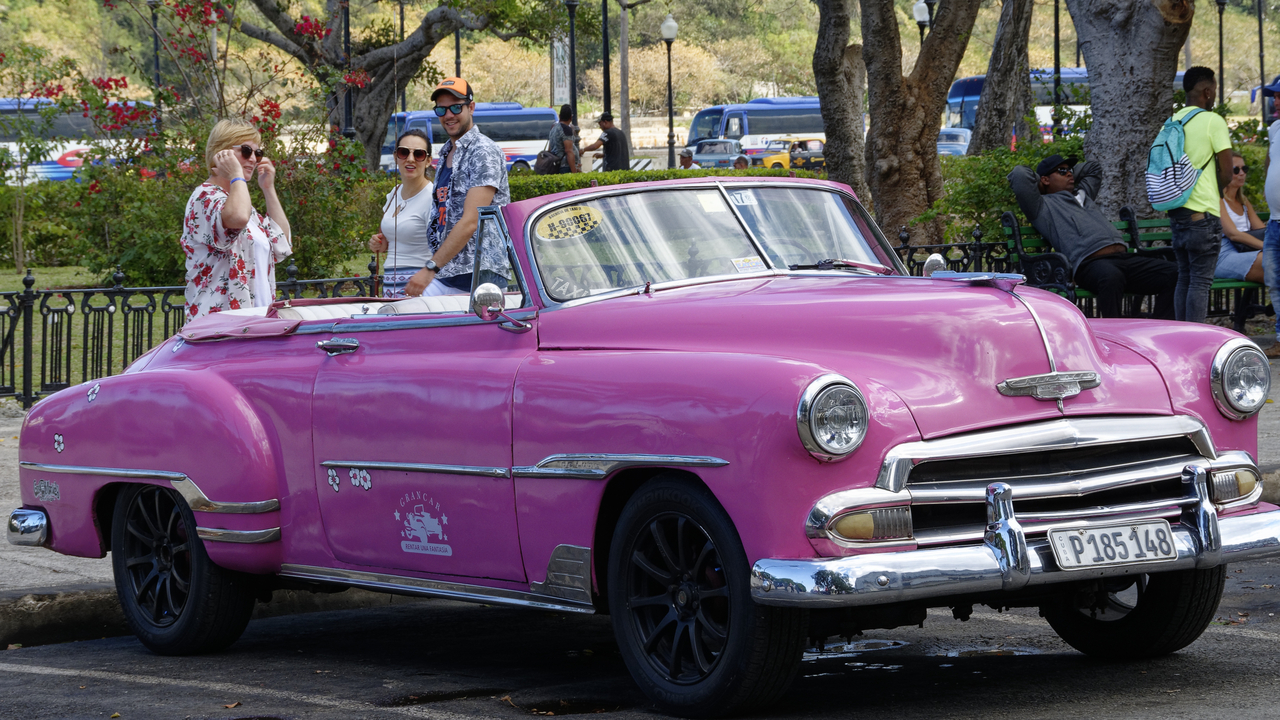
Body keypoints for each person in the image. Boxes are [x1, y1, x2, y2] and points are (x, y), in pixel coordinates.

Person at [1008, 154, 1176, 318]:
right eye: (1062, 171)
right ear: (1045, 180)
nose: (1069, 174)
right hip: (1089, 264)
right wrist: (1042, 181)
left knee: (1174, 273)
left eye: (1070, 170)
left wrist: (1062, 172)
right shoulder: (1041, 207)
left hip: (1123, 258)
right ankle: (1114, 334)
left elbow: (1093, 168)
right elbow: (1020, 174)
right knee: (1110, 277)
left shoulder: (1084, 194)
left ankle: (1160, 327)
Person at [404, 77, 511, 297]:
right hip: (448, 272)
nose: (449, 115)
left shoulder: (483, 151)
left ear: (471, 107)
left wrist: (430, 268)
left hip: (479, 274)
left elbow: (471, 221)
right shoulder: (446, 152)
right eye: (441, 110)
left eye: (455, 107)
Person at [181, 118, 292, 319]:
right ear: (221, 152)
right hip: (218, 325)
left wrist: (268, 188)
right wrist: (236, 175)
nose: (253, 159)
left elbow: (282, 243)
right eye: (246, 151)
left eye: (258, 154)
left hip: (254, 322)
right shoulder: (204, 197)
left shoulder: (240, 205)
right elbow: (237, 218)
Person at [1167, 66, 1234, 323]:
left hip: (1178, 213)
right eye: (1214, 90)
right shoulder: (1212, 121)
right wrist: (1212, 192)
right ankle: (1194, 342)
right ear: (1207, 91)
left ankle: (1181, 337)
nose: (1215, 94)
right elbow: (1227, 172)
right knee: (1200, 282)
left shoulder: (1174, 121)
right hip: (1202, 217)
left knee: (1184, 277)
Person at [368, 129, 446, 298]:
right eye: (404, 152)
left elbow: (445, 246)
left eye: (418, 154)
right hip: (390, 285)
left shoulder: (432, 198)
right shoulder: (394, 193)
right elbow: (394, 239)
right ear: (396, 157)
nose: (410, 159)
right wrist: (380, 243)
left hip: (419, 289)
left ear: (427, 161)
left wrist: (429, 272)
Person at [1214, 151, 1266, 286]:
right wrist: (1268, 247)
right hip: (1223, 254)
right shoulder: (1217, 199)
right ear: (1222, 172)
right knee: (1272, 261)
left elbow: (1262, 230)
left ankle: (1270, 307)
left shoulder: (1243, 201)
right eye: (1235, 170)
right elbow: (1233, 234)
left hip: (1247, 250)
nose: (1242, 173)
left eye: (1244, 169)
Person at [1264, 99, 1280, 357]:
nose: (1276, 101)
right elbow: (1269, 164)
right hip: (1274, 222)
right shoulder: (1275, 128)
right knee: (1274, 282)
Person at [548, 104, 579, 174]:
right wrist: (574, 172)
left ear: (559, 116)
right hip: (565, 167)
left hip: (556, 166)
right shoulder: (566, 129)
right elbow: (569, 151)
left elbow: (549, 149)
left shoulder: (553, 128)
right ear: (571, 117)